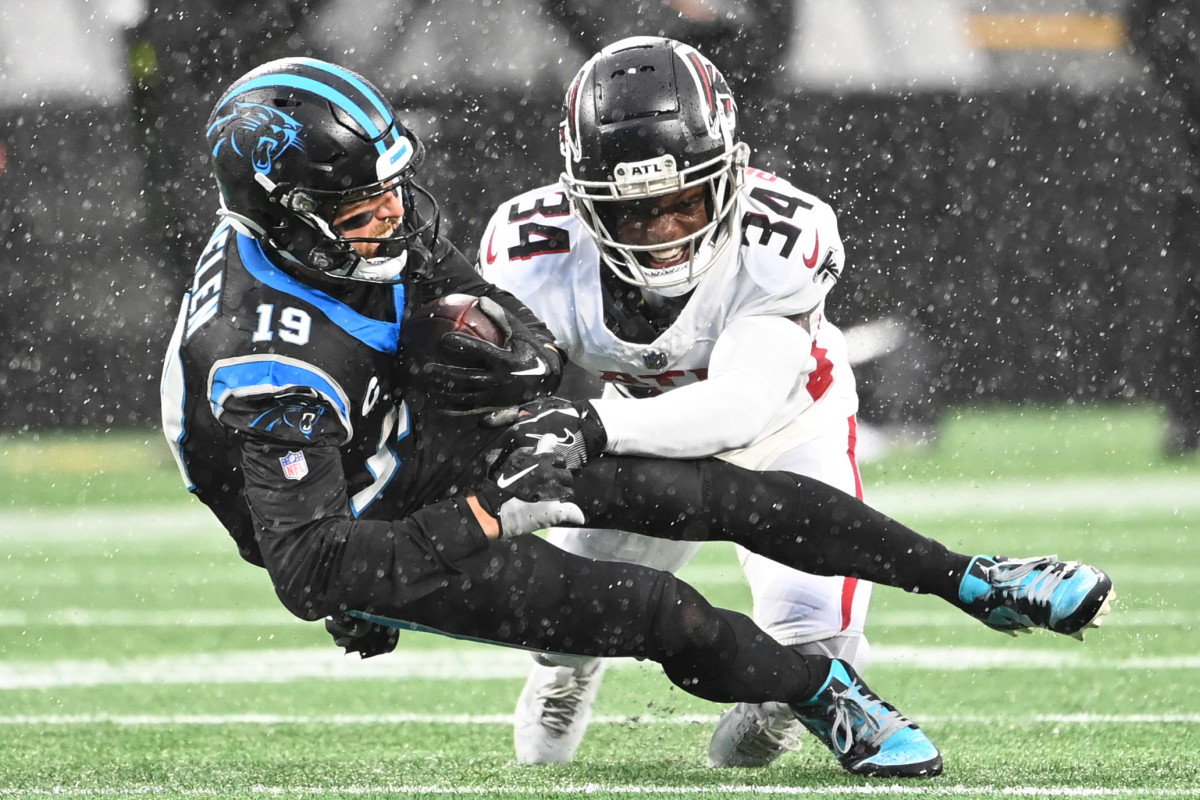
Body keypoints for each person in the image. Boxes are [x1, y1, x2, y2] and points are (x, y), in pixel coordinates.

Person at [160, 56, 1114, 781]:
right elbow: (308, 565)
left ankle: (971, 579)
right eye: (366, 209)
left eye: (393, 190)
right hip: (363, 515)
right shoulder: (267, 364)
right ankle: (825, 693)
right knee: (651, 609)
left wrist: (528, 382)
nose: (399, 220)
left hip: (409, 430)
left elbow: (450, 283)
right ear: (287, 217)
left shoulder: (343, 227)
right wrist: (487, 511)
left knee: (711, 492)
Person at [476, 36, 871, 768]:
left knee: (817, 645)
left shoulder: (780, 239)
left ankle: (776, 705)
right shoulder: (534, 251)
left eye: (685, 200)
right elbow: (492, 394)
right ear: (581, 200)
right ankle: (565, 673)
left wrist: (591, 425)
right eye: (633, 212)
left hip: (788, 425)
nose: (666, 232)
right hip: (646, 432)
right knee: (564, 619)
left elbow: (741, 407)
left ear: (731, 171)